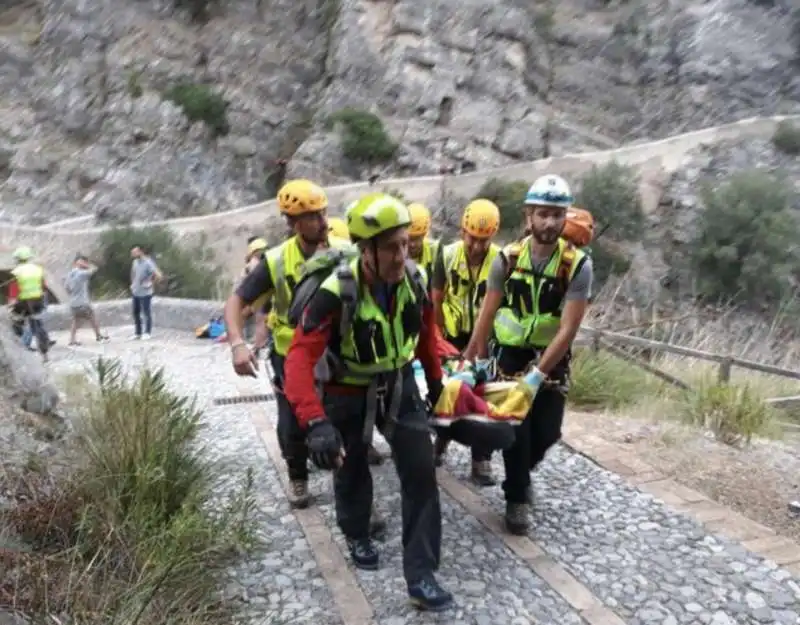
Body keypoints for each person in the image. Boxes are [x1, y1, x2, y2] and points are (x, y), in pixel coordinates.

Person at [282, 192, 453, 612]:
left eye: (406, 244)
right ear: (366, 250)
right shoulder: (334, 292)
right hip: (346, 390)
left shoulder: (413, 281)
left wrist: (436, 387)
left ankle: (422, 575)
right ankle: (357, 533)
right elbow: (300, 358)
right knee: (352, 465)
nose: (402, 255)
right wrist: (315, 422)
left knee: (420, 473)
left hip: (398, 384)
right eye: (392, 247)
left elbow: (427, 339)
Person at [463, 174, 593, 535]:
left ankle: (521, 474)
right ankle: (517, 497)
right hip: (508, 357)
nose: (549, 222)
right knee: (515, 430)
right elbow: (486, 314)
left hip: (551, 359)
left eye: (556, 214)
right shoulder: (506, 259)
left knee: (548, 431)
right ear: (528, 217)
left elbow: (568, 327)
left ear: (565, 218)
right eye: (542, 214)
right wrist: (474, 356)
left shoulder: (577, 265)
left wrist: (539, 373)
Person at [225, 179, 353, 509]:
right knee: (292, 423)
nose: (322, 222)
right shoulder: (277, 260)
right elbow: (237, 301)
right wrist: (238, 344)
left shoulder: (345, 249)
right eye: (312, 217)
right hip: (290, 353)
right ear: (293, 223)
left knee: (344, 420)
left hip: (337, 351)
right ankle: (298, 474)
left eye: (323, 213)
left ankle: (352, 490)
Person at [430, 199, 501, 486]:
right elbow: (436, 298)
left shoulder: (501, 259)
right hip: (452, 337)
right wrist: (438, 339)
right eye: (473, 238)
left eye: (484, 240)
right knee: (449, 394)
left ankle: (481, 459)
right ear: (462, 232)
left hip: (485, 339)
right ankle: (442, 440)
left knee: (485, 397)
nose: (478, 246)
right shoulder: (445, 256)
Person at [7, 246, 52, 362]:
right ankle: (45, 355)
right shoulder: (38, 270)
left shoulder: (15, 272)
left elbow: (13, 293)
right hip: (37, 301)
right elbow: (43, 287)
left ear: (17, 259)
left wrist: (10, 305)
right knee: (38, 326)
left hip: (22, 304)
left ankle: (20, 350)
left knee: (16, 324)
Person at [66, 255, 109, 346]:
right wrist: (87, 266)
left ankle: (72, 340)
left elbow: (67, 289)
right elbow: (94, 270)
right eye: (83, 262)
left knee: (76, 321)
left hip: (73, 302)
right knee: (92, 318)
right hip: (83, 302)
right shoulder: (82, 273)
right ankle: (98, 335)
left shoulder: (69, 274)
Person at [129, 245, 162, 340]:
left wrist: (150, 283)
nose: (133, 254)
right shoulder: (135, 262)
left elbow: (158, 275)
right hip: (136, 291)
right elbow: (133, 273)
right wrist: (132, 284)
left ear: (140, 252)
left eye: (134, 252)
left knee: (146, 312)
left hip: (145, 293)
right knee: (136, 312)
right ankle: (138, 333)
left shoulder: (148, 262)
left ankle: (147, 332)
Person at [406, 203, 442, 288]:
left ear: (424, 235)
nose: (412, 244)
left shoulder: (436, 250)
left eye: (417, 238)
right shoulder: (396, 255)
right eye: (409, 238)